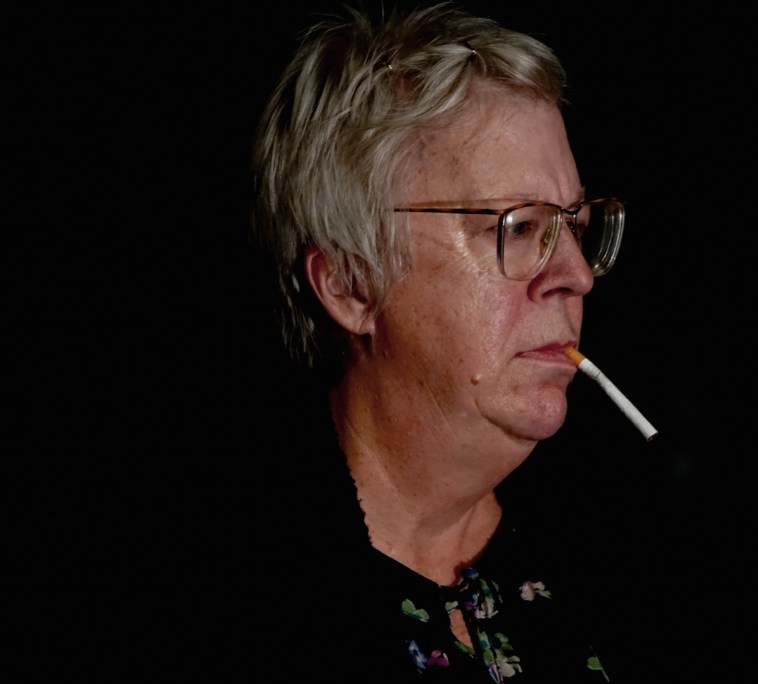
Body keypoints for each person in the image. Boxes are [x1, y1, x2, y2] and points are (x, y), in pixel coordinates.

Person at [240, 3, 633, 681]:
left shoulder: (626, 560)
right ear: (352, 283)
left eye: (572, 224)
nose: (576, 275)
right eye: (518, 226)